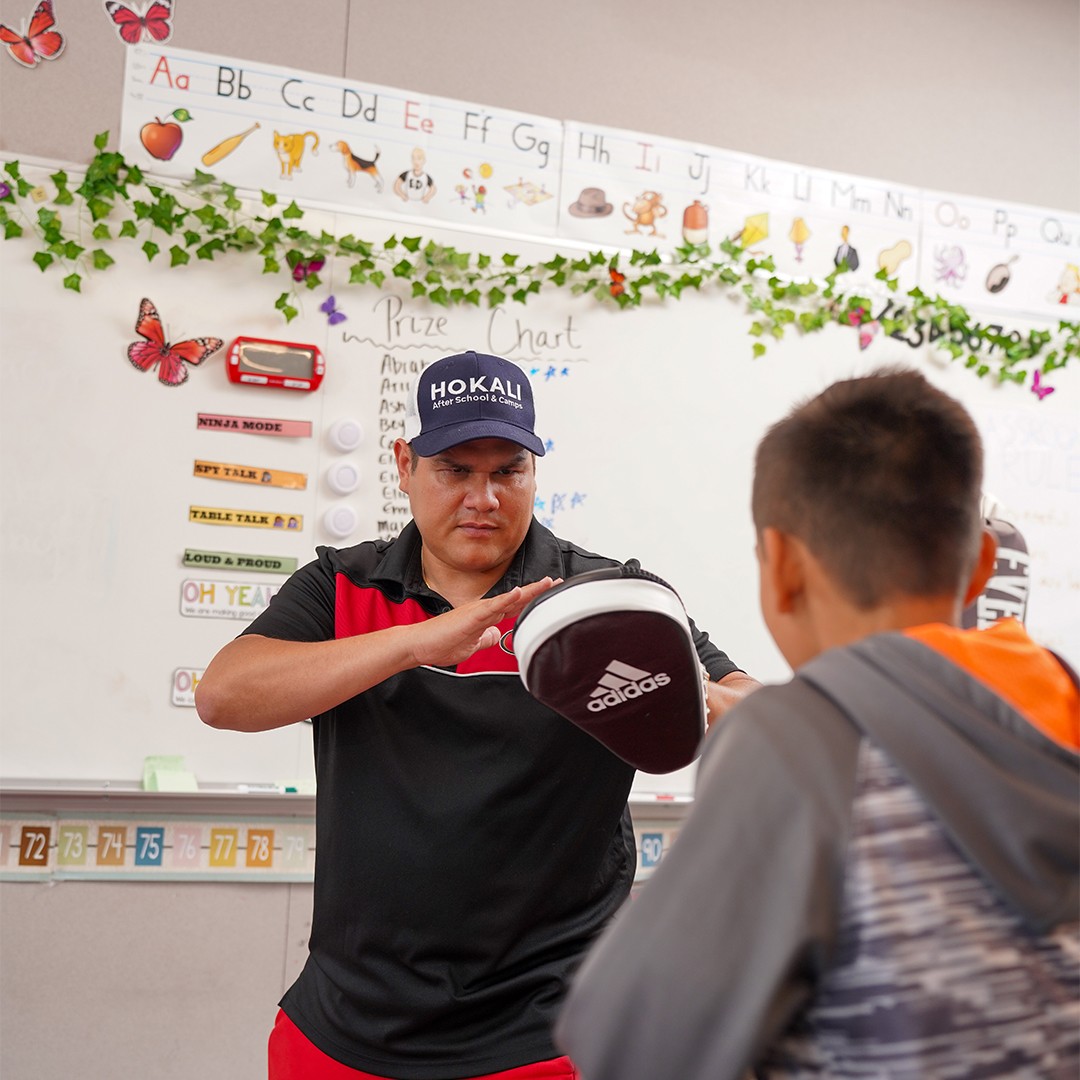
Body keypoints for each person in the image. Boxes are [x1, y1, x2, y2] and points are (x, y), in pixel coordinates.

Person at [195, 350, 758, 1080]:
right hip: (348, 1026)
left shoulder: (607, 597)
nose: (483, 497)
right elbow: (223, 695)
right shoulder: (339, 587)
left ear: (534, 470)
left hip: (553, 1031)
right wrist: (412, 643)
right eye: (455, 470)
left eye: (507, 472)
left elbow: (759, 710)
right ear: (405, 465)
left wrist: (688, 692)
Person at [555, 367, 1079, 1079]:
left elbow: (632, 1040)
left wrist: (784, 739)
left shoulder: (795, 743)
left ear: (782, 567)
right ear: (983, 563)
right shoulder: (1061, 696)